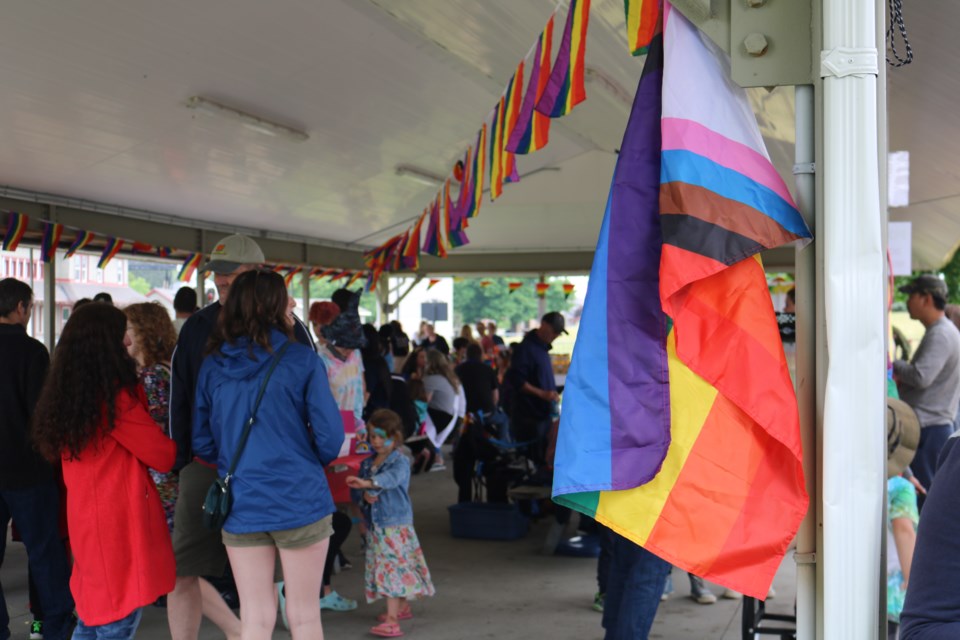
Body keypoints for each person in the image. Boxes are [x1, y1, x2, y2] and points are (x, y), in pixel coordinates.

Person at [167, 234, 313, 640]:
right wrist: (183, 461)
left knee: (265, 579)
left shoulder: (293, 329)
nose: (222, 281)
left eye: (232, 273)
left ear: (259, 274)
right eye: (217, 274)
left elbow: (312, 404)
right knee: (182, 570)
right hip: (206, 466)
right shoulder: (197, 326)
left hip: (270, 469)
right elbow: (180, 398)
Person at [192, 269, 344, 640]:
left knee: (256, 617)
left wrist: (235, 460)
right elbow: (330, 438)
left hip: (242, 499)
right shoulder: (302, 360)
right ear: (278, 305)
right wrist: (300, 458)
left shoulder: (212, 364)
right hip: (299, 496)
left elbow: (202, 442)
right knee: (304, 615)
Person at [32, 302, 176, 639]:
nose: (127, 342)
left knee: (92, 618)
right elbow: (163, 456)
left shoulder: (68, 395)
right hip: (119, 528)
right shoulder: (115, 399)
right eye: (121, 335)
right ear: (106, 344)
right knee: (115, 621)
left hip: (85, 522)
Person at [0, 279, 74, 640]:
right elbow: (41, 413)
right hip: (28, 470)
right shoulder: (33, 352)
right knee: (44, 554)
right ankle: (56, 627)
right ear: (20, 308)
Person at [346, 410, 435, 638]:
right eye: (371, 435)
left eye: (380, 435)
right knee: (395, 568)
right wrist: (364, 494)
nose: (374, 440)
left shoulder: (400, 461)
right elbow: (362, 495)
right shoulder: (368, 463)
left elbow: (391, 479)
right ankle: (402, 607)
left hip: (394, 526)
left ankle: (393, 621)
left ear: (395, 437)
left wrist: (368, 483)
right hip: (379, 526)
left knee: (391, 571)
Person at [893, 275, 960, 503]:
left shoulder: (941, 334)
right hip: (932, 427)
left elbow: (921, 376)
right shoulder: (941, 331)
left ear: (926, 299)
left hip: (929, 430)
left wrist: (894, 364)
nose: (908, 300)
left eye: (912, 295)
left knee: (924, 499)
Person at [123, 302, 179, 532]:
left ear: (144, 332)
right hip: (175, 470)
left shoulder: (150, 376)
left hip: (158, 475)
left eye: (128, 328)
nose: (124, 338)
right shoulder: (169, 367)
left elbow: (151, 430)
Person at [504, 312, 566, 465]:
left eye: (558, 332)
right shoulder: (525, 349)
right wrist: (542, 394)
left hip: (542, 414)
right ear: (543, 325)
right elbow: (518, 381)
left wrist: (553, 391)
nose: (556, 335)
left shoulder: (542, 349)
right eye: (554, 331)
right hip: (529, 415)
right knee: (535, 459)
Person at [886, 398, 921, 638]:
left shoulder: (861, 486)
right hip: (893, 585)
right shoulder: (901, 488)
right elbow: (904, 530)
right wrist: (914, 578)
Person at [423, 349, 467, 469]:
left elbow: (423, 402)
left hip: (445, 422)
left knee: (419, 416)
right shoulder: (452, 378)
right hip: (459, 420)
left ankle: (436, 456)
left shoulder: (431, 379)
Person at [455, 342, 499, 416]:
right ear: (481, 354)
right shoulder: (488, 369)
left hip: (465, 411)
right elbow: (496, 396)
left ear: (467, 354)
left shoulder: (458, 369)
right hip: (486, 411)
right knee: (505, 421)